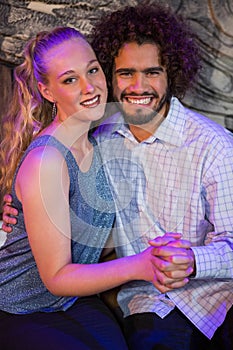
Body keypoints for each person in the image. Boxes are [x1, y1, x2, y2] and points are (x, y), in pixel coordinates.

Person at [2, 3, 233, 350]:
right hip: (44, 301)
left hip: (200, 296)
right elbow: (54, 270)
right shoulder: (75, 146)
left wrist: (190, 260)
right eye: (126, 73)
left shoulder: (205, 145)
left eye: (92, 71)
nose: (138, 86)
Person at [0, 25, 169, 350]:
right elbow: (56, 277)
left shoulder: (101, 138)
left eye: (92, 70)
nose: (89, 87)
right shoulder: (48, 161)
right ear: (47, 91)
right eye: (69, 79)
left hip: (72, 298)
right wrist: (141, 265)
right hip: (20, 304)